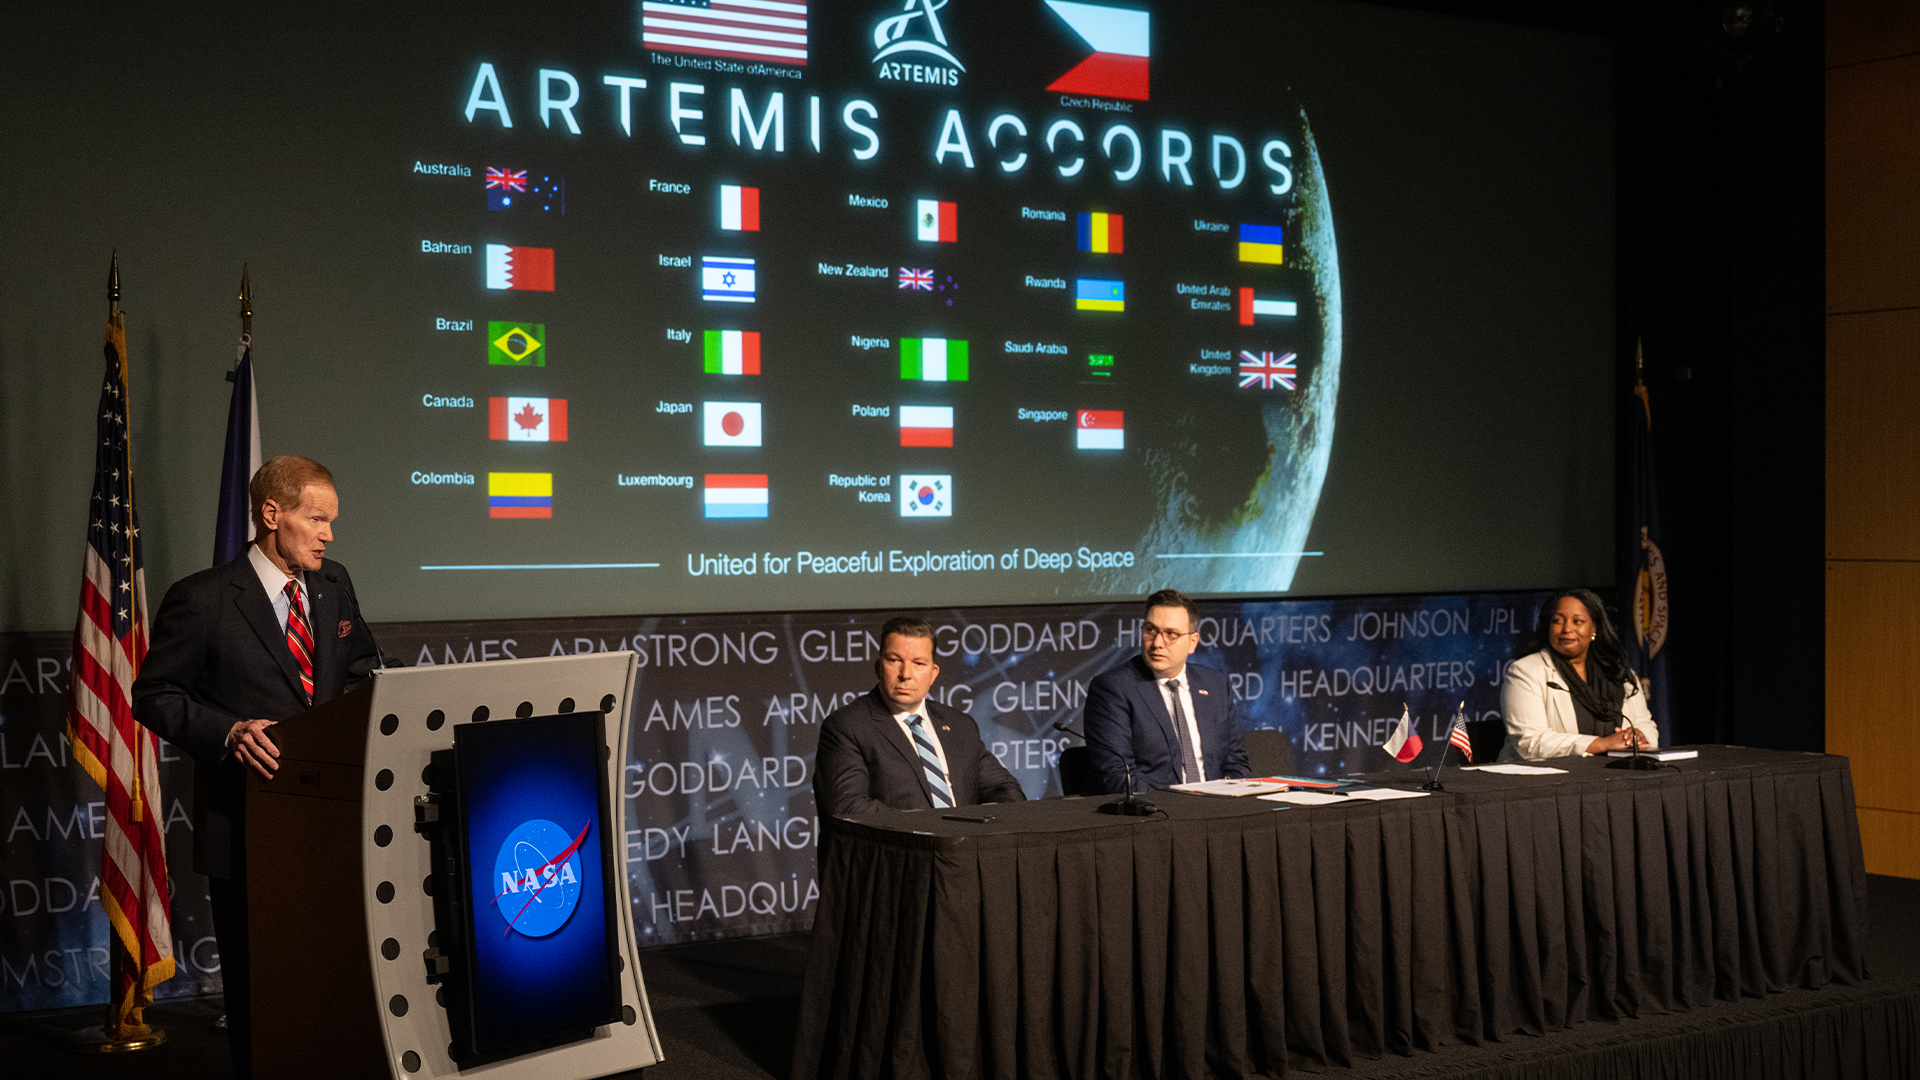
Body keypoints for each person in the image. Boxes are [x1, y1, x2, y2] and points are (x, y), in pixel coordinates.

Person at [132, 456, 381, 1078]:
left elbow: (361, 674)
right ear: (272, 514)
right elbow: (154, 695)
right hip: (246, 821)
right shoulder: (203, 598)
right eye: (316, 518)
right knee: (260, 982)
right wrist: (229, 730)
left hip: (332, 818)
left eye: (331, 521)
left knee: (332, 976)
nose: (328, 534)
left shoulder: (333, 584)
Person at [813, 615, 1026, 816]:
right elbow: (849, 808)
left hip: (962, 850)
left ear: (933, 673)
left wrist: (976, 830)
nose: (906, 674)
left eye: (918, 663)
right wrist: (930, 833)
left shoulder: (960, 725)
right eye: (895, 660)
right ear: (878, 667)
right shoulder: (847, 728)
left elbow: (1007, 791)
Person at [1085, 588, 1250, 794]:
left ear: (1192, 642)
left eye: (1171, 634)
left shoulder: (1215, 685)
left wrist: (1221, 801)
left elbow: (1236, 764)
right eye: (1150, 630)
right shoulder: (1112, 689)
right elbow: (1118, 778)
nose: (1157, 643)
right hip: (1154, 817)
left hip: (1216, 813)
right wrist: (1184, 806)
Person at [1499, 588, 1659, 761]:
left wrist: (1639, 737)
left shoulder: (1618, 672)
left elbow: (1647, 726)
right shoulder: (1525, 672)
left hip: (1615, 775)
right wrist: (1602, 743)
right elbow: (1530, 742)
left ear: (1594, 629)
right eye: (1557, 621)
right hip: (1544, 780)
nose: (1567, 628)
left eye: (1578, 621)